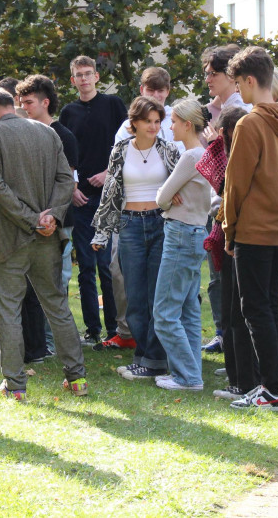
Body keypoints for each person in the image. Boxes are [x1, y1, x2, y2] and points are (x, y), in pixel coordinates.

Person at [0, 88, 84, 400]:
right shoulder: (47, 133)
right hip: (46, 236)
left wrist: (33, 218)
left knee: (8, 311)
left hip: (6, 237)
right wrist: (51, 217)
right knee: (58, 306)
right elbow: (67, 180)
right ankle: (77, 379)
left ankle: (15, 386)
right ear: (13, 106)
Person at [221, 47, 278, 413]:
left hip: (254, 230)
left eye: (238, 84)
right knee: (269, 306)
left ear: (250, 81)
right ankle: (273, 385)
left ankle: (271, 390)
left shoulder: (249, 123)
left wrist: (228, 228)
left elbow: (235, 184)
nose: (238, 92)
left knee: (255, 309)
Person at [93, 96, 180, 381]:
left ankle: (155, 360)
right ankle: (143, 356)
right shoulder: (120, 150)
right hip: (129, 225)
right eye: (148, 122)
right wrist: (102, 232)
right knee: (134, 296)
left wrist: (177, 193)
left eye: (158, 121)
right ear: (134, 124)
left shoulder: (168, 149)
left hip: (160, 223)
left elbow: (186, 179)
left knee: (157, 295)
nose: (154, 127)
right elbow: (110, 192)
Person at [58, 55, 127, 345]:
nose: (84, 79)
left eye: (88, 73)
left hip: (109, 194)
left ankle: (114, 328)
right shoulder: (68, 112)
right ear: (72, 80)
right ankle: (92, 330)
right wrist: (71, 188)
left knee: (107, 266)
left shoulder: (113, 105)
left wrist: (107, 172)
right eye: (78, 75)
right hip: (81, 198)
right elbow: (62, 154)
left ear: (97, 77)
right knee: (85, 266)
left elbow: (127, 144)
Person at [18, 75, 80, 359]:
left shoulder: (63, 135)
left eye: (29, 102)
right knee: (30, 289)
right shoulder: (24, 133)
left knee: (56, 285)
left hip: (57, 225)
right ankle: (39, 343)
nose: (24, 107)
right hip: (28, 223)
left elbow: (67, 183)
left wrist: (51, 216)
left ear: (45, 102)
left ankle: (57, 342)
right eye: (21, 101)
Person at [152, 99, 212, 391]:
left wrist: (168, 197)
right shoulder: (205, 153)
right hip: (195, 233)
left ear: (188, 124)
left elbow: (161, 197)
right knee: (187, 309)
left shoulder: (191, 156)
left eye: (173, 121)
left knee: (164, 313)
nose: (169, 126)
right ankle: (192, 374)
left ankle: (187, 377)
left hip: (181, 234)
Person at [206, 106, 260, 402]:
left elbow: (226, 194)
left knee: (234, 313)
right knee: (250, 310)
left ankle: (242, 381)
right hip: (253, 236)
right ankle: (251, 378)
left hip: (237, 237)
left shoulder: (233, 157)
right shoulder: (255, 150)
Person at [200, 44, 249, 354]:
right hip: (217, 203)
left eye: (212, 73)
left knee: (229, 282)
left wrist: (215, 143)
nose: (207, 78)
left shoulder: (239, 111)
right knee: (219, 279)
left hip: (229, 206)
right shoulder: (215, 108)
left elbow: (230, 164)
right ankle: (224, 336)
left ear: (232, 76)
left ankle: (233, 343)